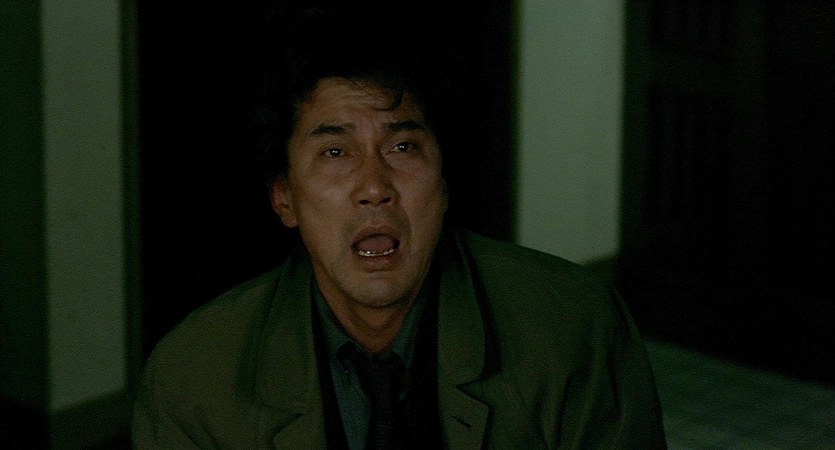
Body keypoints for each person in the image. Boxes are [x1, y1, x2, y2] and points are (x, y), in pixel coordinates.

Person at [132, 2, 667, 448]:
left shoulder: (574, 330)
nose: (374, 186)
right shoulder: (193, 377)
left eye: (403, 146)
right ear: (284, 198)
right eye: (336, 152)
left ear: (444, 182)